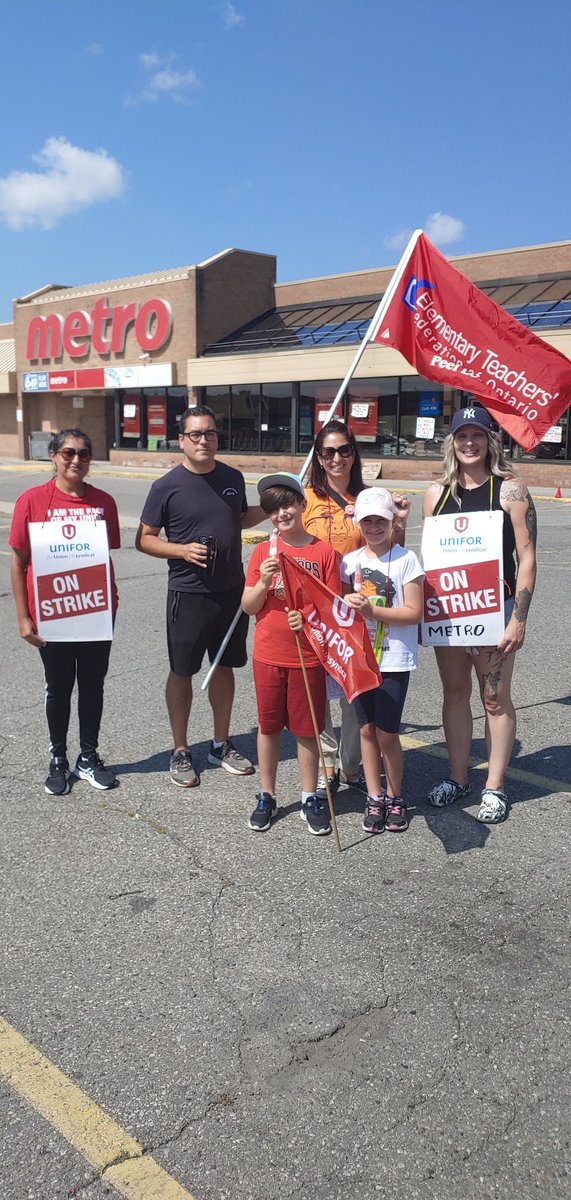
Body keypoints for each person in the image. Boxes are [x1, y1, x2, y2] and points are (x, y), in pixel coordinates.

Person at [136, 405, 264, 788]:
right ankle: (180, 749)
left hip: (231, 592)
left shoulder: (233, 477)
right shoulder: (166, 486)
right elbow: (143, 539)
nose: (204, 440)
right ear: (182, 441)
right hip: (188, 594)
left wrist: (280, 506)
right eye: (195, 434)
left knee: (224, 667)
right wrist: (182, 550)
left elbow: (238, 517)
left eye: (209, 433)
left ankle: (221, 743)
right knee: (183, 671)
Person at [422, 404, 537, 824]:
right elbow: (428, 558)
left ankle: (494, 785)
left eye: (478, 435)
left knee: (493, 697)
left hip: (496, 610)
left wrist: (519, 618)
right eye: (462, 435)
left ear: (492, 440)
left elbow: (526, 557)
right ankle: (458, 777)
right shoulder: (436, 493)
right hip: (449, 612)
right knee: (454, 695)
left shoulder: (510, 490)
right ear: (452, 441)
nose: (469, 443)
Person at [303, 418, 411, 797]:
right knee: (319, 690)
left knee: (354, 689)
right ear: (318, 456)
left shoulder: (369, 497)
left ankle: (352, 765)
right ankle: (326, 763)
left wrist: (401, 520)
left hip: (357, 611)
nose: (337, 458)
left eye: (344, 450)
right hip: (316, 608)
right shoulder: (305, 499)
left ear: (354, 454)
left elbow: (391, 555)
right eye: (328, 451)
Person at [9, 428, 120, 795]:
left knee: (93, 687)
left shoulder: (103, 503)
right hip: (51, 614)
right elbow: (19, 561)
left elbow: (103, 558)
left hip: (95, 613)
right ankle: (58, 757)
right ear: (54, 456)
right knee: (58, 688)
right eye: (68, 452)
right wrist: (24, 618)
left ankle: (88, 757)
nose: (76, 460)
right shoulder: (32, 500)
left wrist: (106, 606)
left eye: (84, 454)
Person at [242, 473, 341, 836]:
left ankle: (309, 795)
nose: (281, 513)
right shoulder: (262, 552)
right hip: (269, 653)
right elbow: (249, 606)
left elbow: (332, 608)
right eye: (273, 509)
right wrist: (264, 582)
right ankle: (267, 794)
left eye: (287, 505)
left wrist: (309, 617)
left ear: (302, 505)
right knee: (268, 727)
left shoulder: (323, 552)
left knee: (306, 729)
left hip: (308, 655)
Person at [342, 487, 424, 835]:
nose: (374, 526)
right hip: (360, 660)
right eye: (368, 520)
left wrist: (372, 609)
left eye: (381, 520)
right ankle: (374, 796)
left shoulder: (407, 560)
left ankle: (395, 795)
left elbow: (414, 612)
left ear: (392, 522)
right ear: (359, 523)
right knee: (365, 729)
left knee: (387, 733)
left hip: (393, 659)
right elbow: (338, 610)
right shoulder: (350, 563)